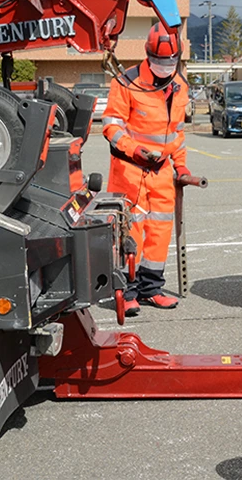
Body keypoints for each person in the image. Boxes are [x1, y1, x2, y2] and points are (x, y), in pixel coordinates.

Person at [102, 22, 191, 315]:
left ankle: (151, 288)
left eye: (170, 61)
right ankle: (127, 291)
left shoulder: (180, 87)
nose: (165, 67)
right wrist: (134, 149)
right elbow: (112, 125)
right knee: (130, 232)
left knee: (159, 230)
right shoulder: (127, 81)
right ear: (148, 55)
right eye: (159, 61)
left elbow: (177, 133)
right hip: (130, 169)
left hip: (162, 171)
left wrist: (181, 167)